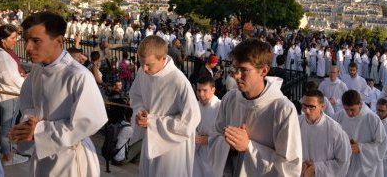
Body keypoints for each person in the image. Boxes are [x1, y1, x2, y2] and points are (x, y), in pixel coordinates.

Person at [9, 11, 108, 176]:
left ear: (59, 41)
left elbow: (89, 121)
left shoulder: (78, 75)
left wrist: (39, 130)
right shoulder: (37, 71)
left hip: (70, 159)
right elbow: (28, 105)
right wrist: (28, 124)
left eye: (36, 41)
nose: (27, 47)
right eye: (26, 40)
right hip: (42, 155)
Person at [209, 38, 302, 176]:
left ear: (263, 71)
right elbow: (214, 138)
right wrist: (229, 146)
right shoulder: (230, 99)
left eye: (244, 70)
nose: (236, 75)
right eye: (235, 68)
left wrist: (248, 146)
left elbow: (290, 167)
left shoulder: (283, 109)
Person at [129, 35, 201, 177]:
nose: (144, 68)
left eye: (149, 64)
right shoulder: (142, 72)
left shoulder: (179, 81)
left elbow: (189, 122)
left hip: (172, 149)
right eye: (141, 63)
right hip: (149, 139)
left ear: (163, 58)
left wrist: (152, 121)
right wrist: (140, 111)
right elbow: (136, 96)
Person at [334, 89, 387, 176]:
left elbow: (381, 144)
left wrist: (361, 148)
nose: (349, 113)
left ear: (360, 104)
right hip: (345, 163)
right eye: (346, 109)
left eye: (352, 109)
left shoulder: (372, 118)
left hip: (364, 166)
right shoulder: (339, 116)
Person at [298, 89, 350, 177]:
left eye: (311, 107)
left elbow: (343, 161)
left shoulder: (335, 129)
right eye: (304, 106)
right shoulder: (297, 122)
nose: (306, 111)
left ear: (322, 107)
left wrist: (316, 168)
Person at [0, 24, 27, 165]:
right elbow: (11, 78)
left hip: (8, 95)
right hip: (10, 96)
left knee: (7, 125)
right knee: (8, 127)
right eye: (13, 38)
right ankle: (7, 156)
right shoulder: (2, 56)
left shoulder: (2, 53)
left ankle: (7, 151)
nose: (16, 40)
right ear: (3, 40)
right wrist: (26, 85)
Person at [193, 75, 221, 177]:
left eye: (205, 90)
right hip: (197, 155)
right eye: (198, 90)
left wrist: (209, 140)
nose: (201, 94)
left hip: (214, 158)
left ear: (213, 90)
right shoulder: (194, 105)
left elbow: (226, 135)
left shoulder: (221, 107)